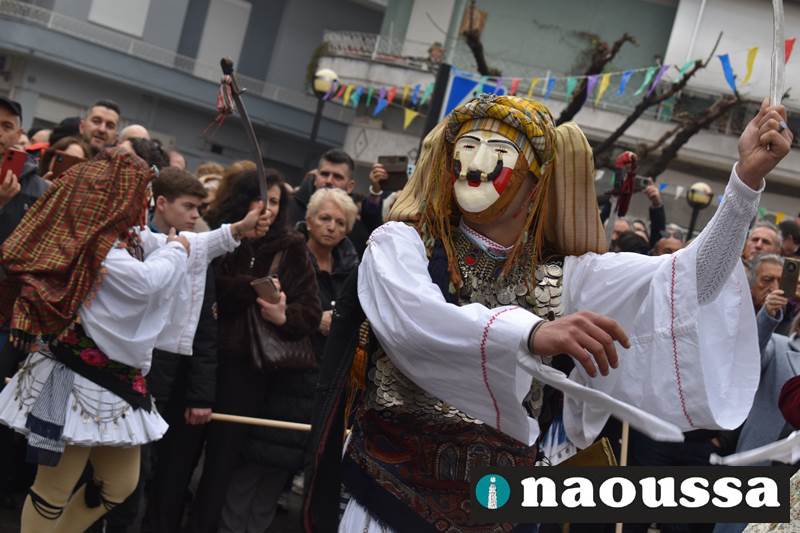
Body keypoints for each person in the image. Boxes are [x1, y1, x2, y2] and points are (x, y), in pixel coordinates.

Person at [303, 94, 792, 532]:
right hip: (388, 499)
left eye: (496, 153)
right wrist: (534, 333)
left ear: (536, 183)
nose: (475, 164)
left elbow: (693, 280)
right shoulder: (402, 242)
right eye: (466, 147)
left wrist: (745, 181)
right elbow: (416, 325)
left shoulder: (568, 276)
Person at [0, 144, 269, 533]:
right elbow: (149, 280)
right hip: (70, 378)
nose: (142, 200)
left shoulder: (129, 237)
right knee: (52, 489)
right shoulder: (97, 246)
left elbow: (191, 246)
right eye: (138, 192)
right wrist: (176, 249)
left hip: (115, 381)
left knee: (118, 486)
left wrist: (237, 230)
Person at [218, 187, 359, 533]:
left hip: (316, 385)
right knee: (249, 471)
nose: (331, 227)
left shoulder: (351, 269)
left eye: (340, 222)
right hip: (277, 373)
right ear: (308, 220)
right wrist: (311, 320)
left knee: (276, 476)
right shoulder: (288, 252)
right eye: (324, 218)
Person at [189, 168, 321, 533]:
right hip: (197, 359)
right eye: (259, 201)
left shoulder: (291, 246)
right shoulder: (217, 234)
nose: (267, 210)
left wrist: (283, 315)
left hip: (248, 372)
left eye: (276, 202)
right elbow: (204, 288)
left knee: (220, 469)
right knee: (176, 461)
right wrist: (248, 287)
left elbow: (310, 313)